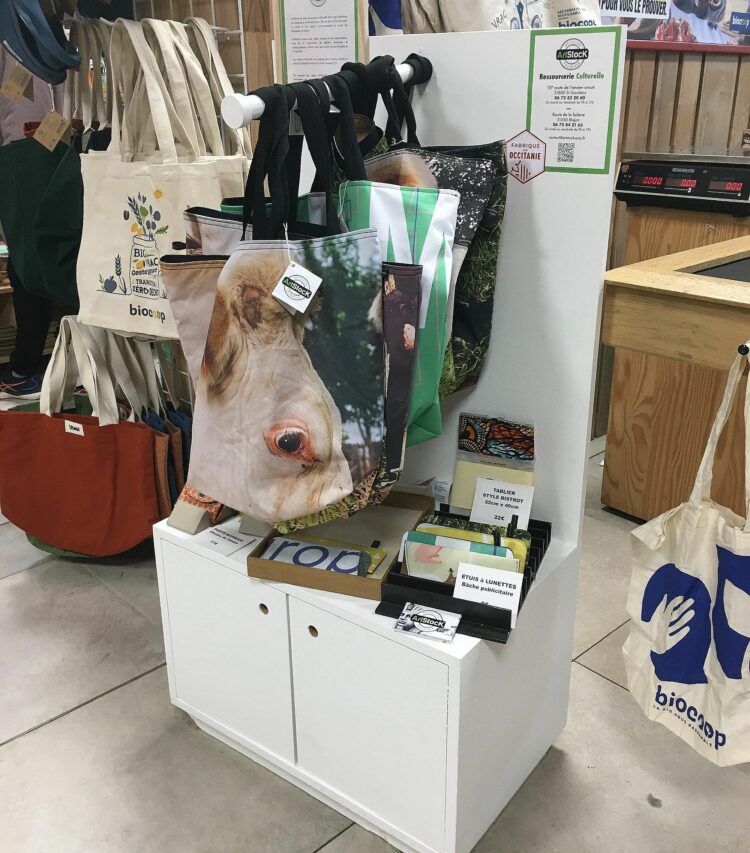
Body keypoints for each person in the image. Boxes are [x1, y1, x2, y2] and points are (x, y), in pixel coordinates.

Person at [0, 48, 61, 400]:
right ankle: (28, 366)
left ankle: (25, 367)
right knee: (42, 260)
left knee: (31, 263)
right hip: (48, 149)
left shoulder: (20, 33)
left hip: (30, 154)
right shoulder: (46, 29)